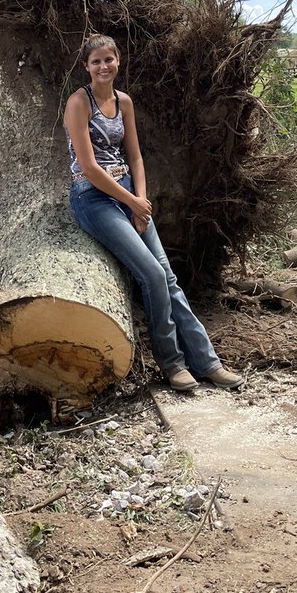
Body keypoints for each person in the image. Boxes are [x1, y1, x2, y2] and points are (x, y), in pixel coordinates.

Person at [64, 33, 242, 393]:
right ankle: (173, 365)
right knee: (151, 274)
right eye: (96, 61)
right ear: (87, 66)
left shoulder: (124, 102)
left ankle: (207, 363)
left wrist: (141, 200)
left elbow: (136, 157)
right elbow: (88, 166)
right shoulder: (78, 103)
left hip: (130, 193)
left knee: (168, 275)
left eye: (108, 60)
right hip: (93, 197)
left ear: (118, 62)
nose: (103, 66)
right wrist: (132, 203)